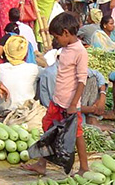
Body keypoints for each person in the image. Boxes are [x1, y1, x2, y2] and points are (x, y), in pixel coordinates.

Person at [22, 13, 89, 175]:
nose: (56, 40)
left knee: (77, 134)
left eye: (57, 37)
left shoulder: (80, 52)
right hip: (57, 101)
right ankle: (41, 164)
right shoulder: (65, 49)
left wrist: (73, 104)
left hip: (70, 104)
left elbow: (81, 81)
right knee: (48, 130)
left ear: (66, 33)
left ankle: (84, 167)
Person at [38, 40, 108, 126]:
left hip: (73, 105)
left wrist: (102, 96)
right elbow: (58, 103)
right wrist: (91, 109)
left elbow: (98, 74)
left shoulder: (71, 67)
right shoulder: (52, 73)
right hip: (59, 110)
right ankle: (89, 117)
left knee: (92, 79)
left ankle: (91, 118)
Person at [0, 35, 41, 110]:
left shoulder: (0, 68)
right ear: (26, 53)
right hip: (26, 110)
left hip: (4, 110)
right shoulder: (33, 69)